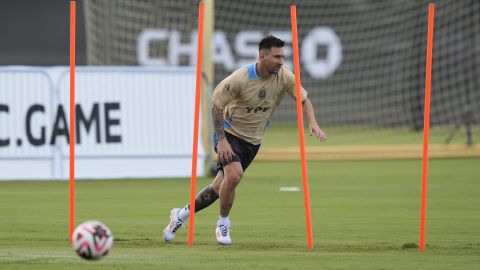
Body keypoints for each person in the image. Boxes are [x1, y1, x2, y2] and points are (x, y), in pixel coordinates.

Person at [163, 35, 327, 245]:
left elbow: (304, 100)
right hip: (229, 133)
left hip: (253, 141)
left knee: (219, 187)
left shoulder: (285, 77)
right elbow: (217, 105)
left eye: (283, 56)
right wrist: (221, 139)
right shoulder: (240, 78)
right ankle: (223, 224)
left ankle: (180, 215)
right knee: (234, 175)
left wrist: (312, 121)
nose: (281, 61)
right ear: (262, 55)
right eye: (277, 57)